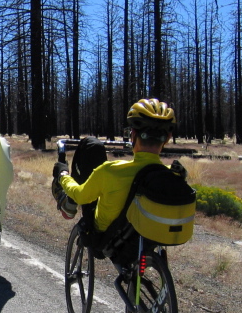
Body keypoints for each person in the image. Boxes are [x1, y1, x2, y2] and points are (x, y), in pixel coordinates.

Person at [52, 98, 179, 234]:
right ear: (168, 138)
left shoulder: (110, 171)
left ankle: (68, 205)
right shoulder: (174, 174)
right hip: (150, 234)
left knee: (90, 144)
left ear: (133, 134)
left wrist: (63, 175)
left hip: (106, 236)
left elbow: (80, 195)